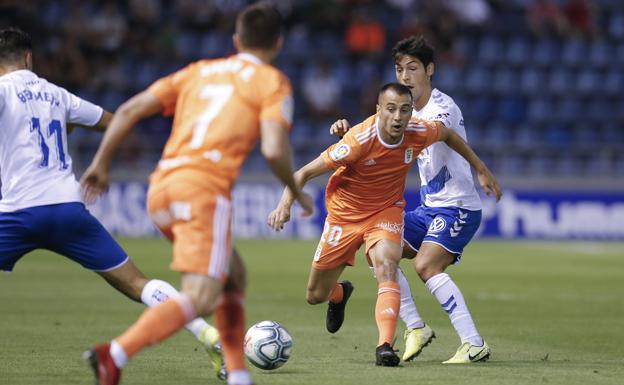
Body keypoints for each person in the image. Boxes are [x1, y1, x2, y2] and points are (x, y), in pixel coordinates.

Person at [81, 3, 313, 385]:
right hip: (203, 189)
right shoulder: (272, 82)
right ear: (278, 43)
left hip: (160, 190)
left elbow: (129, 109)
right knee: (203, 295)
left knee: (233, 274)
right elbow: (273, 149)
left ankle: (238, 374)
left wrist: (101, 163)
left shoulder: (199, 71)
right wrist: (294, 189)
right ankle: (115, 354)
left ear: (236, 40)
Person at [0, 26, 225, 379]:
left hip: (17, 213)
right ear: (29, 58)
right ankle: (206, 333)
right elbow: (113, 119)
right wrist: (68, 126)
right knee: (137, 283)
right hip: (67, 208)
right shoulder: (57, 95)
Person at [268, 82, 500, 367]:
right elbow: (303, 173)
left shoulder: (417, 132)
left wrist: (481, 169)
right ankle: (340, 294)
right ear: (378, 111)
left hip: (385, 212)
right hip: (344, 217)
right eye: (390, 109)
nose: (398, 117)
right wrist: (283, 205)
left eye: (405, 110)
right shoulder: (357, 141)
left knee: (386, 265)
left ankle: (385, 346)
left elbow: (449, 134)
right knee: (315, 295)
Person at [330, 35, 501, 364]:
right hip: (428, 208)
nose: (405, 76)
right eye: (399, 69)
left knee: (425, 265)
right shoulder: (400, 112)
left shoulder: (442, 108)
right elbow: (376, 137)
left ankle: (474, 342)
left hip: (458, 208)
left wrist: (481, 168)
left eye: (413, 68)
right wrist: (348, 134)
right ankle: (417, 327)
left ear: (430, 69)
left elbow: (438, 135)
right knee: (378, 249)